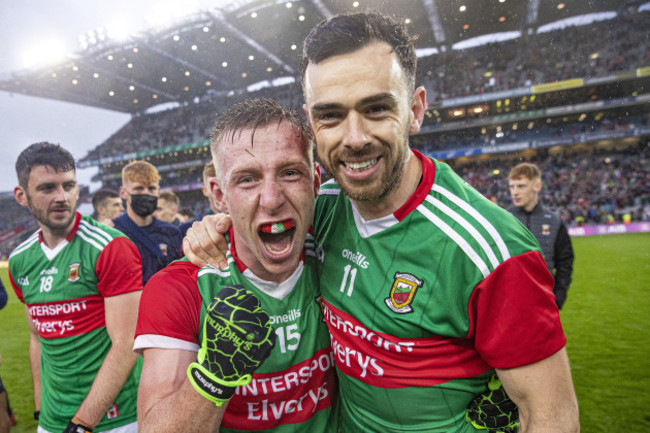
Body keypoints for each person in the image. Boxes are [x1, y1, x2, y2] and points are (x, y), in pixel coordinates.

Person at [184, 11, 579, 432]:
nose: (354, 138)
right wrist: (211, 227)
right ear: (311, 122)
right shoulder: (324, 207)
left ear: (415, 109)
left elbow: (551, 414)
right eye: (330, 115)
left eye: (376, 109)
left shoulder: (491, 251)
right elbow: (261, 216)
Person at [134, 98, 337, 432]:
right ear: (219, 195)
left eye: (289, 173)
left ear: (316, 181)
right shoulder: (180, 288)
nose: (272, 199)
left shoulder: (337, 249)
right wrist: (214, 376)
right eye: (247, 179)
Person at [8, 142, 143, 433]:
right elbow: (37, 337)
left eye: (68, 186)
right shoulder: (20, 260)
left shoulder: (110, 247)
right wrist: (40, 405)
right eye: (47, 188)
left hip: (114, 420)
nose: (61, 197)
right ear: (22, 195)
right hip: (53, 421)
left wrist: (83, 423)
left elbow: (127, 343)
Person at [508, 162, 575, 309]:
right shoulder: (503, 220)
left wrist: (558, 297)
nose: (515, 192)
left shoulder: (554, 222)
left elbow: (565, 262)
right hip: (511, 304)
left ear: (537, 186)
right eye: (512, 186)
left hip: (544, 304)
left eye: (521, 186)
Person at [114, 160, 183, 284]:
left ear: (158, 191)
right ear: (123, 192)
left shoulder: (171, 232)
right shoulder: (112, 233)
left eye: (151, 188)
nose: (146, 193)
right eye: (138, 188)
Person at [178, 161, 222, 237]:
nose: (220, 189)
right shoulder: (186, 230)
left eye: (224, 184)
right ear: (205, 191)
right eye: (213, 185)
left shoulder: (246, 224)